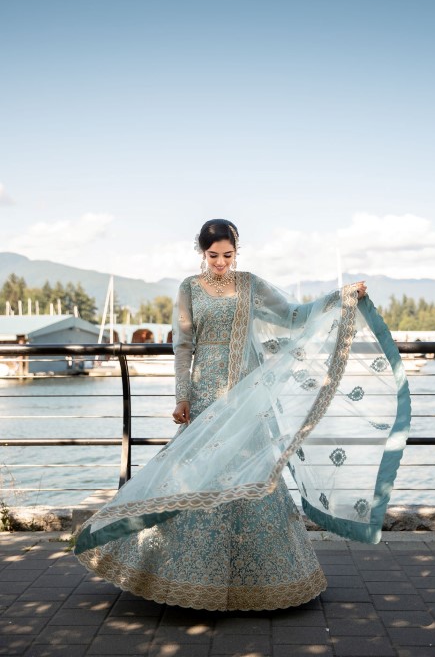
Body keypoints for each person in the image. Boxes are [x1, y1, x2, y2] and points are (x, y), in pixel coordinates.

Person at [75, 219, 410, 612]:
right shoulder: (188, 288)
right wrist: (182, 396)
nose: (220, 263)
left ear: (237, 251)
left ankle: (266, 582)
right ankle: (185, 576)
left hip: (249, 392)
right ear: (202, 253)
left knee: (254, 472)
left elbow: (294, 316)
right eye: (213, 255)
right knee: (197, 472)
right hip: (205, 391)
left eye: (227, 255)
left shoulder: (251, 284)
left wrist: (341, 297)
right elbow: (184, 346)